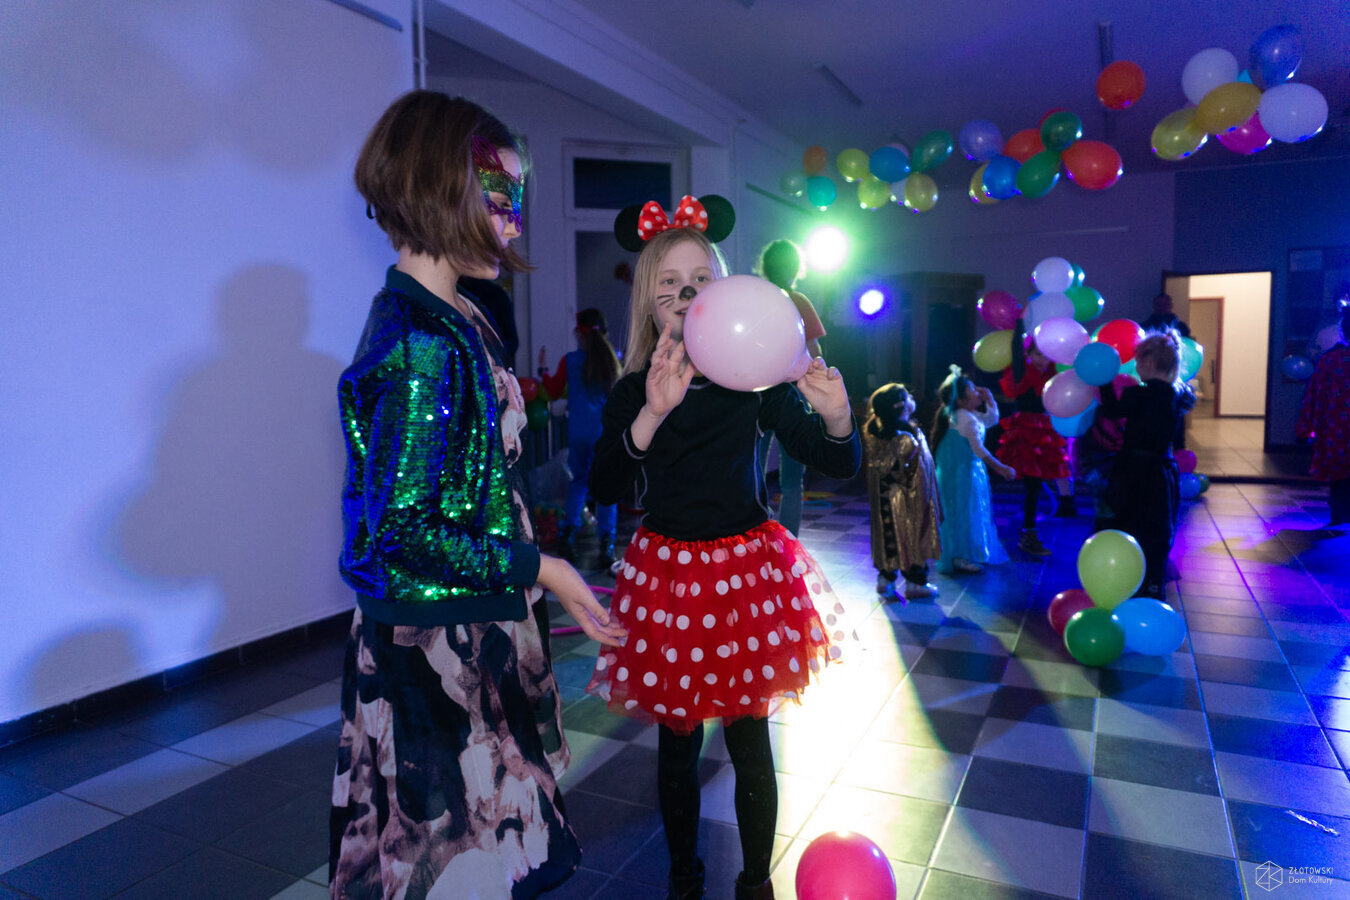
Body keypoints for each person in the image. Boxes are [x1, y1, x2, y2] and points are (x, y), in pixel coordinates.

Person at [330, 91, 627, 900]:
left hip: (472, 618)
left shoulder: (459, 316)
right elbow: (403, 535)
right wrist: (545, 568)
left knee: (494, 863)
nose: (515, 224)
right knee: (455, 871)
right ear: (440, 187)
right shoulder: (417, 342)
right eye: (499, 198)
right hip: (432, 645)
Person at [585, 208, 861, 900]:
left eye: (700, 278)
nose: (685, 292)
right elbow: (604, 485)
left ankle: (755, 883)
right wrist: (651, 412)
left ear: (725, 289)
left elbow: (835, 459)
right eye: (669, 282)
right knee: (678, 746)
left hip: (745, 577)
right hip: (670, 580)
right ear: (649, 300)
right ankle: (685, 879)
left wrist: (835, 415)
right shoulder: (633, 389)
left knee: (749, 743)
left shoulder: (753, 381)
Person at [1098, 330, 1196, 599]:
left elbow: (1111, 411)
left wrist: (1104, 381)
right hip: (1162, 470)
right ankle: (1154, 580)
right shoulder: (1180, 395)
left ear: (1149, 363)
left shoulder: (1137, 394)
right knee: (1157, 526)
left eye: (1138, 362)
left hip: (1133, 469)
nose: (1136, 368)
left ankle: (1122, 574)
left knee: (1125, 519)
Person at [752, 239, 827, 535]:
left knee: (752, 471)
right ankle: (789, 545)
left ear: (765, 267)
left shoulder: (755, 300)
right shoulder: (798, 301)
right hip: (792, 394)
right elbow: (815, 353)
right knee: (793, 481)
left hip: (756, 395)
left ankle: (753, 538)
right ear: (796, 268)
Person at [539, 308, 622, 567]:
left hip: (577, 434)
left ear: (579, 333)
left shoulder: (571, 360)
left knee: (579, 484)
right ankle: (606, 545)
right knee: (607, 489)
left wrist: (543, 369)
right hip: (603, 434)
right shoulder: (612, 361)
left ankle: (568, 534)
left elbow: (553, 391)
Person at [997, 320, 1077, 556]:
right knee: (1033, 486)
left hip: (1044, 432)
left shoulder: (1052, 375)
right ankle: (1028, 534)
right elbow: (1016, 350)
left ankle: (1028, 531)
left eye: (1045, 355)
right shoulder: (1022, 372)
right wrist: (1019, 323)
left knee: (1036, 486)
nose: (1042, 360)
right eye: (1037, 354)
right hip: (1026, 432)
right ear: (1029, 355)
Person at [934, 365, 1015, 574]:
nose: (977, 390)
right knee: (962, 512)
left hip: (968, 471)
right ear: (961, 400)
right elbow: (979, 449)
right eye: (971, 388)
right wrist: (1000, 467)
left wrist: (990, 400)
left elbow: (990, 421)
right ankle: (961, 556)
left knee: (968, 511)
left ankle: (965, 553)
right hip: (961, 473)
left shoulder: (966, 414)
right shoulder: (963, 416)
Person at [864, 383, 941, 600]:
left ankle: (885, 578)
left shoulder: (873, 433)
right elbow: (917, 472)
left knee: (887, 537)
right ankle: (915, 582)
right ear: (902, 407)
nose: (912, 400)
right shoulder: (908, 437)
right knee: (911, 537)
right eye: (908, 397)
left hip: (883, 498)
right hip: (908, 500)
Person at [1297, 299, 1350, 528]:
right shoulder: (1330, 360)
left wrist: (1305, 429)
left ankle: (1338, 514)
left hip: (1335, 430)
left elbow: (1314, 396)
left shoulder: (1330, 360)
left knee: (1339, 475)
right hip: (1336, 429)